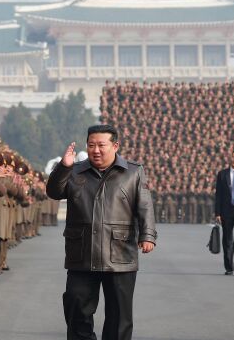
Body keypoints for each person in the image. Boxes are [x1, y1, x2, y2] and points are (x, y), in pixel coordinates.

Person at [46, 124, 157, 340]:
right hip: (82, 251)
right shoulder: (75, 170)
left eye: (101, 145)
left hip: (119, 253)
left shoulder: (133, 171)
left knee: (119, 316)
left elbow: (145, 204)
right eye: (91, 145)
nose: (95, 150)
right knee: (76, 306)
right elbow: (53, 192)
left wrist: (148, 235)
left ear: (115, 146)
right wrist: (64, 167)